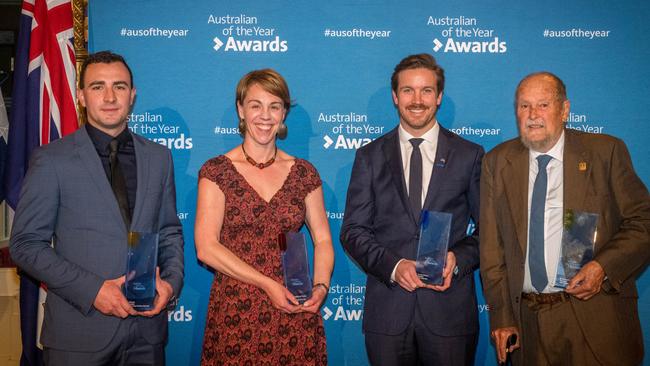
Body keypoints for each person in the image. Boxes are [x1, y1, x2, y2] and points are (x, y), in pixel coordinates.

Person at [9, 50, 184, 365]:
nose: (109, 96)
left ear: (132, 95)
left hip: (147, 335)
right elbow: (24, 244)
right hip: (79, 334)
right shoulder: (51, 159)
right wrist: (93, 291)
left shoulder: (159, 157)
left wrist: (169, 284)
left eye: (119, 86)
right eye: (97, 86)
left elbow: (169, 230)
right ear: (81, 96)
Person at [480, 71, 650, 365]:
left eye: (543, 105)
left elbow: (643, 221)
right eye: (524, 106)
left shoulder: (604, 152)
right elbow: (492, 250)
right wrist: (503, 317)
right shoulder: (497, 161)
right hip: (528, 326)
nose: (533, 115)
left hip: (595, 319)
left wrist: (603, 267)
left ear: (565, 110)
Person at [340, 53, 483, 366]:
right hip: (388, 316)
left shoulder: (469, 155)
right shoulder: (369, 156)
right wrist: (394, 266)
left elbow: (489, 234)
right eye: (408, 90)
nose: (417, 100)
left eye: (426, 90)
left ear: (439, 96)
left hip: (450, 316)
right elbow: (352, 231)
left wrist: (457, 259)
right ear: (395, 96)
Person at [195, 68, 334, 365]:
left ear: (284, 114)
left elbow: (322, 239)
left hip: (295, 308)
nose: (265, 116)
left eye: (274, 106)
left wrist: (320, 287)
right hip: (236, 310)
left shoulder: (303, 173)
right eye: (256, 105)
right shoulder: (216, 171)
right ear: (241, 110)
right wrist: (267, 284)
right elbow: (206, 247)